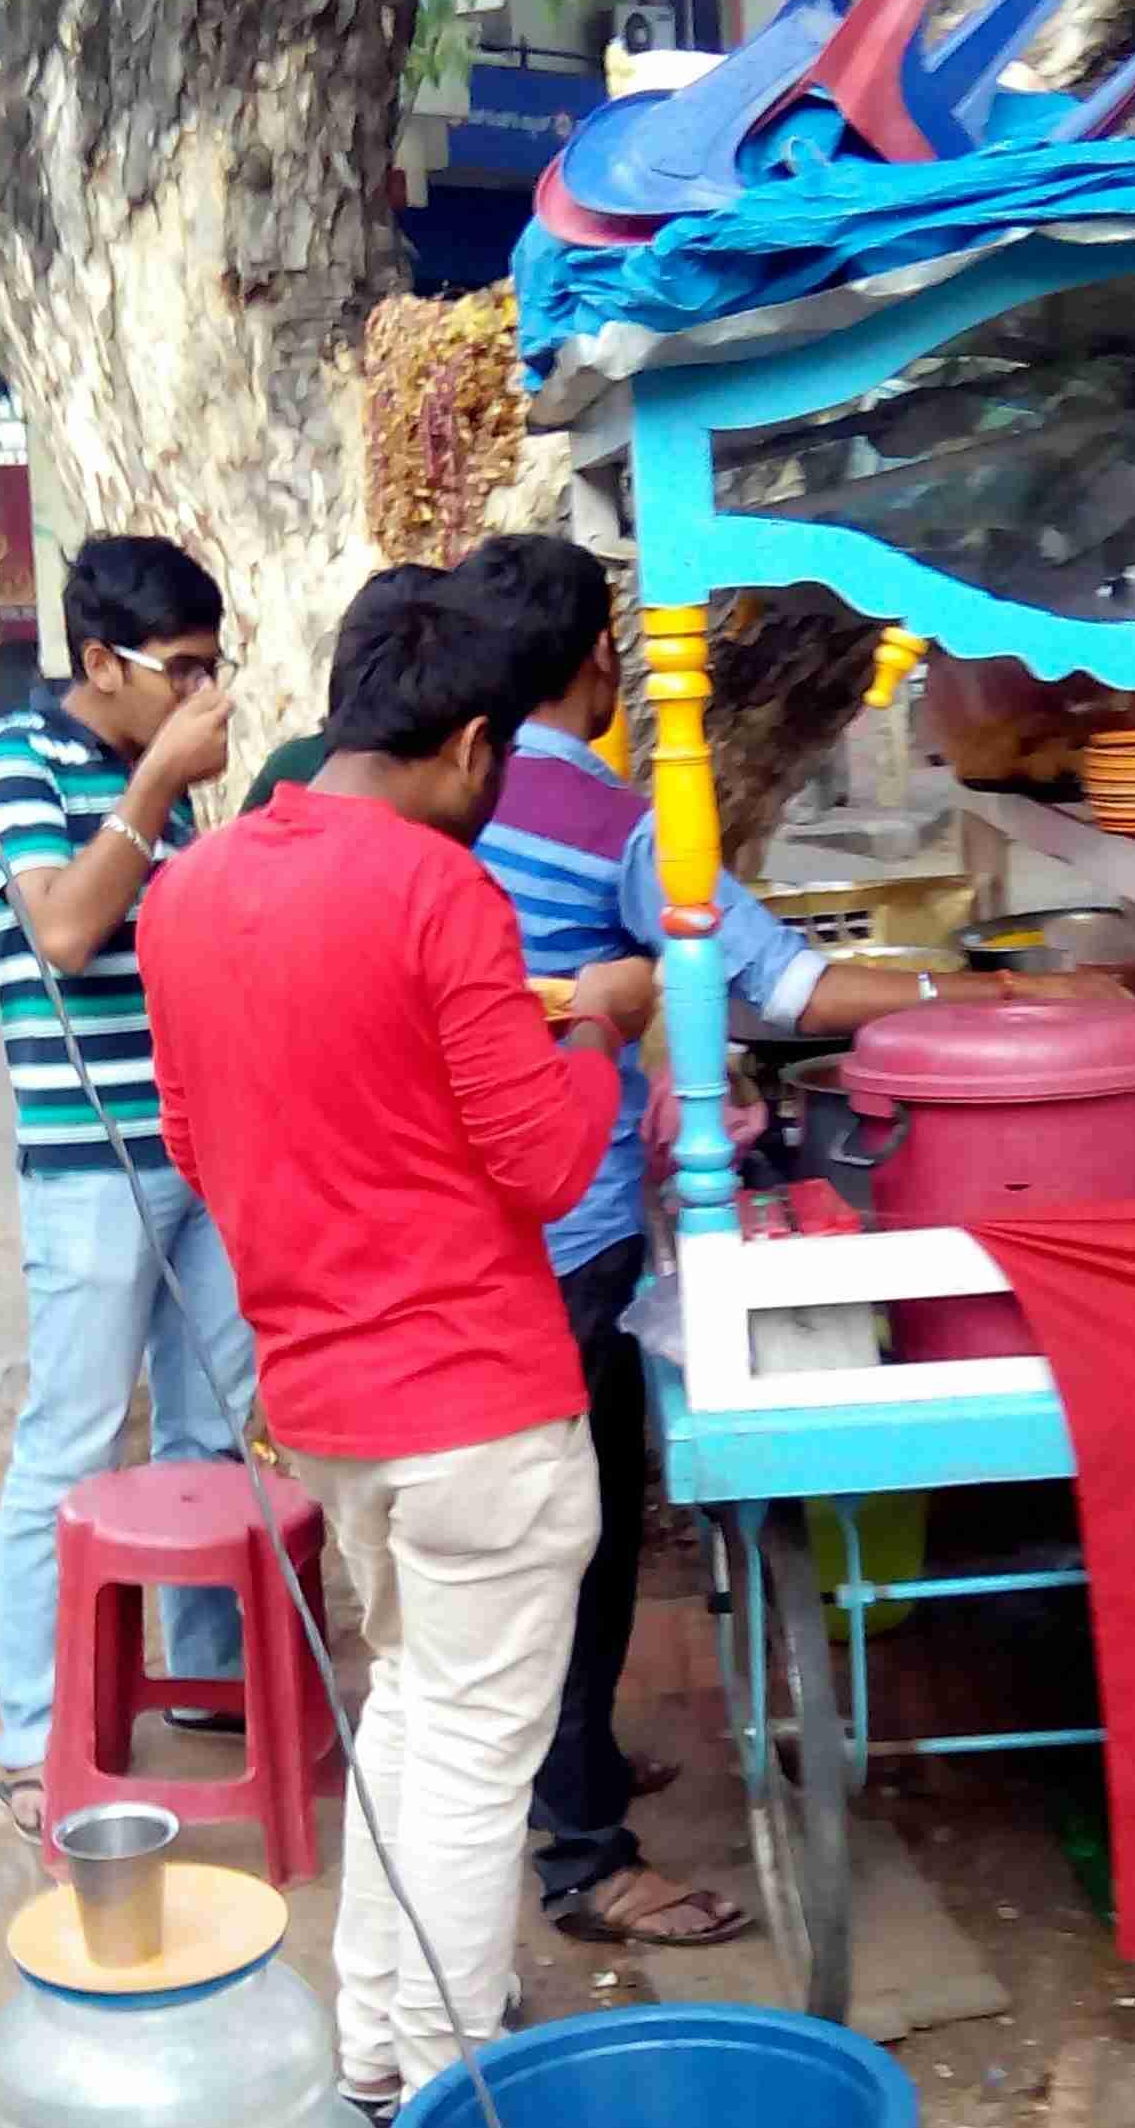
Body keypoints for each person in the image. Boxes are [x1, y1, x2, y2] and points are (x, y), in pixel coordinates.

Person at [455, 529, 1063, 1948]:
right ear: (597, 663)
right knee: (581, 1541)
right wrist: (977, 995)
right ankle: (585, 1858)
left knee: (534, 1532)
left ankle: (574, 1771)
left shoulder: (447, 801)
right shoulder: (612, 819)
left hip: (475, 1220)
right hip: (573, 1223)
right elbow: (788, 989)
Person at [137, 567, 652, 2108]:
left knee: (419, 1726)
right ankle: (450, 2090)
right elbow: (545, 1163)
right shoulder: (440, 892)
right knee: (475, 1765)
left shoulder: (191, 890)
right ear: (474, 743)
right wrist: (599, 1029)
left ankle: (376, 2058)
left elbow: (197, 1138)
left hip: (325, 1405)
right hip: (478, 1407)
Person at [0, 533, 254, 1842]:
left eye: (212, 666)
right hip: (89, 1163)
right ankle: (32, 1735)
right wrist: (156, 784)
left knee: (210, 1428)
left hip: (199, 1149)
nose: (206, 693)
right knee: (72, 1442)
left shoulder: (162, 788)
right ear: (101, 662)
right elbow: (67, 929)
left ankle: (202, 1676)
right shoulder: (13, 763)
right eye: (182, 668)